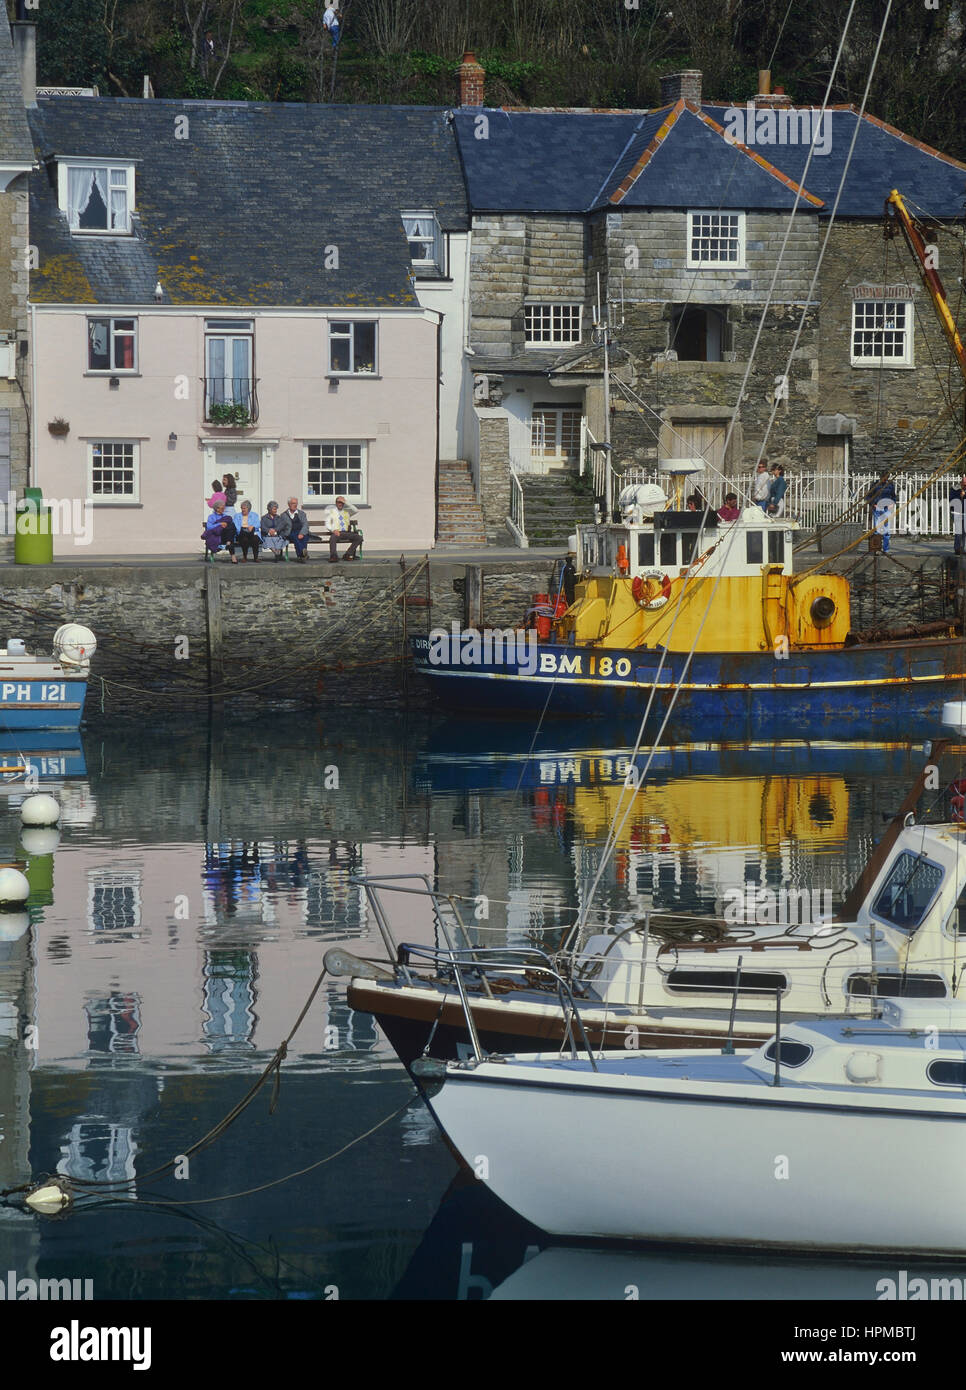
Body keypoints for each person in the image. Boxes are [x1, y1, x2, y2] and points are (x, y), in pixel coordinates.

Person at [865, 470, 897, 553]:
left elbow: (893, 496)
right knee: (878, 530)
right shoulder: (875, 485)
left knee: (886, 530)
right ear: (880, 477)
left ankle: (886, 549)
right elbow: (868, 496)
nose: (885, 480)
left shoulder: (890, 485)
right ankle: (877, 548)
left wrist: (892, 503)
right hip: (878, 507)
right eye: (884, 478)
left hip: (887, 508)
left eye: (886, 478)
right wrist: (873, 504)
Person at [324, 495, 362, 562]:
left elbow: (356, 510)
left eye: (342, 502)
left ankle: (348, 554)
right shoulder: (332, 512)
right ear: (336, 503)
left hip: (347, 532)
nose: (340, 504)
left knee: (359, 538)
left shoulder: (347, 511)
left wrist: (346, 501)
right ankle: (334, 556)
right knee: (332, 538)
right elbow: (327, 524)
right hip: (338, 532)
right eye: (339, 502)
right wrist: (333, 530)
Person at [202, 498, 238, 562]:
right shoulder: (211, 517)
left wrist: (225, 525)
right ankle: (232, 553)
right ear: (217, 508)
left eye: (224, 508)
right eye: (222, 508)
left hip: (225, 535)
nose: (224, 510)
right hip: (217, 535)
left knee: (231, 525)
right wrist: (220, 524)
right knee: (230, 535)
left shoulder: (226, 516)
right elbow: (209, 527)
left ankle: (229, 543)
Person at [278, 497, 310, 561]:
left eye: (296, 503)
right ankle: (303, 553)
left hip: (301, 531)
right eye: (293, 503)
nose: (295, 505)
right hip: (290, 532)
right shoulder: (283, 515)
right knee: (296, 536)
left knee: (304, 537)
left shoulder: (302, 514)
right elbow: (280, 527)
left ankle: (301, 556)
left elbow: (305, 525)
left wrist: (302, 533)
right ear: (289, 504)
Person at [950, 476, 966, 555]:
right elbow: (952, 499)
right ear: (961, 482)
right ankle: (957, 549)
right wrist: (960, 496)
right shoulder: (954, 488)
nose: (965, 486)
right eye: (964, 484)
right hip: (956, 512)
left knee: (964, 532)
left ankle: (962, 549)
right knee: (959, 531)